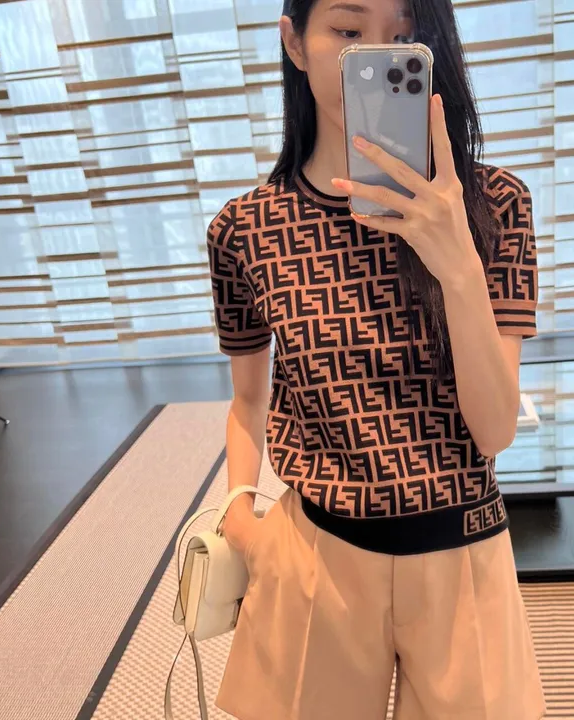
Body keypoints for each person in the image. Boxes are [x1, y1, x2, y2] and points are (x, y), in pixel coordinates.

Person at [206, 1, 546, 718]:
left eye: (404, 36)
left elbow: (494, 431)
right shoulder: (245, 229)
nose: (375, 55)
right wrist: (239, 512)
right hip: (315, 554)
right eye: (348, 30)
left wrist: (458, 263)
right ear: (295, 42)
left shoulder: (495, 205)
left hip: (462, 556)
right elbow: (248, 399)